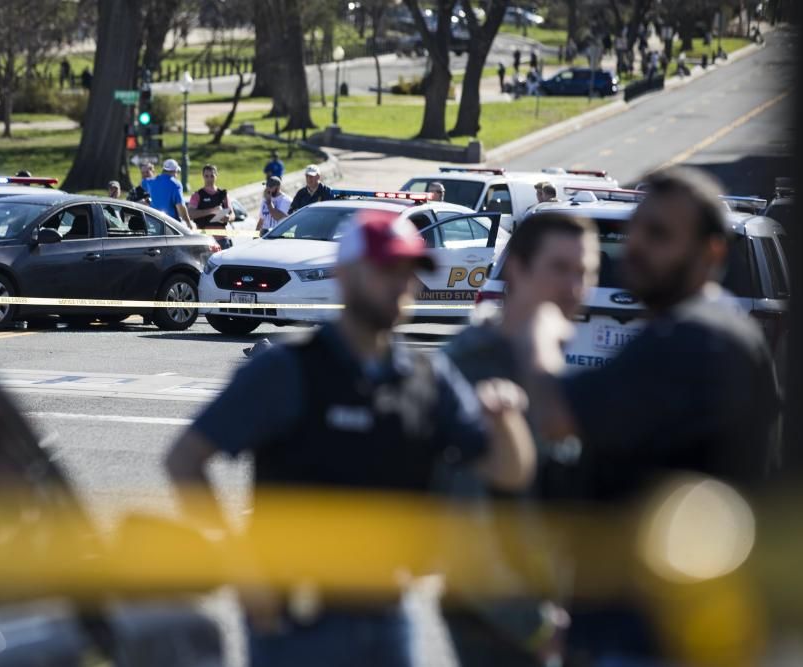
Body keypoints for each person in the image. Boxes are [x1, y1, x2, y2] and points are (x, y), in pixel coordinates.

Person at [166, 210, 536, 667]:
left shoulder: (427, 376)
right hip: (295, 619)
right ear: (345, 275)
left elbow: (509, 472)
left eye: (408, 271)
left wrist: (507, 418)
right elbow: (184, 460)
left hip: (389, 611)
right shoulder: (289, 367)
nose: (400, 283)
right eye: (385, 269)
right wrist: (238, 567)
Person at [521, 167, 781, 500]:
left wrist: (541, 325)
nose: (637, 246)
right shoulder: (723, 321)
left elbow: (553, 414)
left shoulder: (693, 338)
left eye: (658, 234)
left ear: (712, 252)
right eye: (635, 230)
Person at [443, 213, 598, 667]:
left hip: (561, 604)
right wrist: (534, 625)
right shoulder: (468, 367)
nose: (574, 287)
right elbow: (461, 529)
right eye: (559, 268)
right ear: (517, 269)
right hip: (494, 616)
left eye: (585, 272)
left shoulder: (557, 359)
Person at [145, 159, 193, 227]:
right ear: (174, 171)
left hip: (153, 223)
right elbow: (181, 207)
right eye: (177, 172)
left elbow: (144, 183)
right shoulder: (176, 184)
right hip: (171, 224)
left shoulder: (151, 182)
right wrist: (188, 223)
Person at [188, 164, 233, 231]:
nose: (209, 179)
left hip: (222, 237)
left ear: (216, 176)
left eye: (212, 176)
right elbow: (190, 215)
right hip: (204, 237)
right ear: (203, 176)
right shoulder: (197, 195)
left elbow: (232, 214)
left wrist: (228, 218)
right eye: (206, 176)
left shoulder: (223, 194)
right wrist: (212, 210)